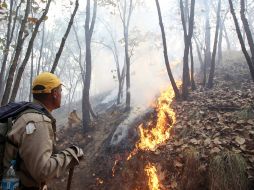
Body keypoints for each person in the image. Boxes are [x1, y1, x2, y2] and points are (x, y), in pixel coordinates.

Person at [3, 72, 83, 190]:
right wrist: (71, 155)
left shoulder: (27, 113)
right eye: (60, 90)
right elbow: (42, 171)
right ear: (54, 94)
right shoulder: (38, 122)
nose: (61, 94)